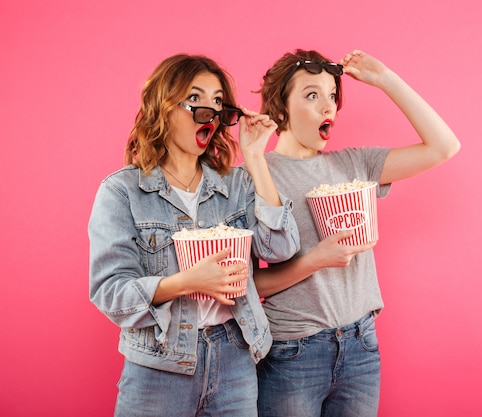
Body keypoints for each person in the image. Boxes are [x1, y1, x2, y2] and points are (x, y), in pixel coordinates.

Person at [88, 54, 300, 417]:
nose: (211, 111)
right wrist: (185, 282)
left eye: (218, 101)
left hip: (235, 358)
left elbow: (280, 247)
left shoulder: (237, 185)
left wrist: (254, 156)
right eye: (196, 98)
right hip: (159, 364)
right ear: (165, 108)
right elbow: (110, 293)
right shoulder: (122, 191)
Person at [253, 49, 461, 417]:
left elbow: (444, 147)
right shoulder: (255, 175)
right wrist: (315, 261)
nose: (327, 106)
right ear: (280, 110)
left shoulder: (354, 164)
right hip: (292, 353)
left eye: (332, 96)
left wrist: (385, 79)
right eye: (311, 95)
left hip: (360, 346)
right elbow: (249, 285)